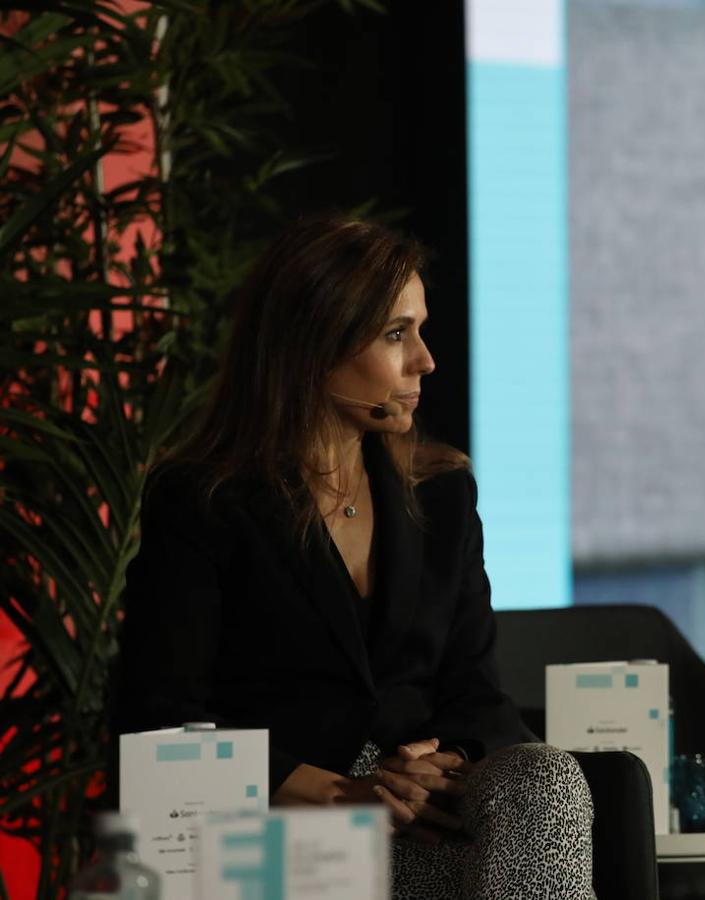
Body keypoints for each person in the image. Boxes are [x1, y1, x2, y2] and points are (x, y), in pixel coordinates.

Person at [115, 215, 594, 898]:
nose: (424, 359)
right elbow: (160, 718)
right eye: (396, 334)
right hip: (281, 828)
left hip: (424, 816)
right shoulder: (204, 500)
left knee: (545, 776)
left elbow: (478, 695)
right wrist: (342, 793)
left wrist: (444, 762)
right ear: (314, 345)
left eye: (420, 330)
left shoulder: (443, 493)